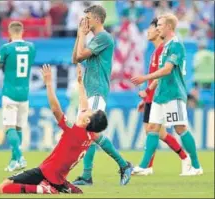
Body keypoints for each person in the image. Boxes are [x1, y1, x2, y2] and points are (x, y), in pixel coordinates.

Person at [0, 64, 108, 194]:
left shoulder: (74, 131)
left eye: (91, 111)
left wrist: (48, 84)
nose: (88, 108)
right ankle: (61, 186)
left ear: (87, 120)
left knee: (3, 187)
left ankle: (42, 188)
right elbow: (84, 105)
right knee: (75, 191)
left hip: (46, 172)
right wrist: (80, 84)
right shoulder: (90, 135)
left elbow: (56, 110)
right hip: (59, 178)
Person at [131, 13, 203, 176]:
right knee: (152, 128)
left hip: (173, 94)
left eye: (160, 25)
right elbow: (161, 75)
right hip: (160, 95)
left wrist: (145, 78)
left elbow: (167, 70)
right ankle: (144, 166)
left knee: (180, 129)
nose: (157, 28)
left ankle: (196, 166)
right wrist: (149, 90)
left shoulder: (176, 45)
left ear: (169, 27)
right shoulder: (165, 46)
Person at [72, 5, 132, 186]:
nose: (85, 22)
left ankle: (122, 165)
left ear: (97, 19)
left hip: (97, 89)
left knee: (91, 132)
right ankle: (88, 175)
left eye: (88, 18)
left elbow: (81, 55)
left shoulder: (104, 37)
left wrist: (82, 36)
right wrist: (79, 35)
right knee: (87, 134)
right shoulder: (93, 39)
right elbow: (76, 58)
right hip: (90, 89)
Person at [0, 21, 36, 172]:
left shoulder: (6, 48)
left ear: (9, 33)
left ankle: (20, 156)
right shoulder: (31, 47)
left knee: (9, 127)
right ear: (22, 31)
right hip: (24, 94)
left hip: (10, 93)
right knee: (18, 128)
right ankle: (14, 160)